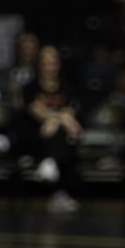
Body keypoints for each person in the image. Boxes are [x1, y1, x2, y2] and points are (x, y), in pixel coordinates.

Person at [22, 44, 84, 213]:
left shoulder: (67, 87)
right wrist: (60, 118)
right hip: (37, 137)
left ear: (58, 64)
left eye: (52, 62)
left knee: (59, 134)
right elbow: (36, 111)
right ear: (38, 64)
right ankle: (60, 192)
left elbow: (70, 111)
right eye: (45, 63)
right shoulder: (30, 88)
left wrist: (56, 120)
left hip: (58, 138)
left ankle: (49, 162)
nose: (49, 67)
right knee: (53, 131)